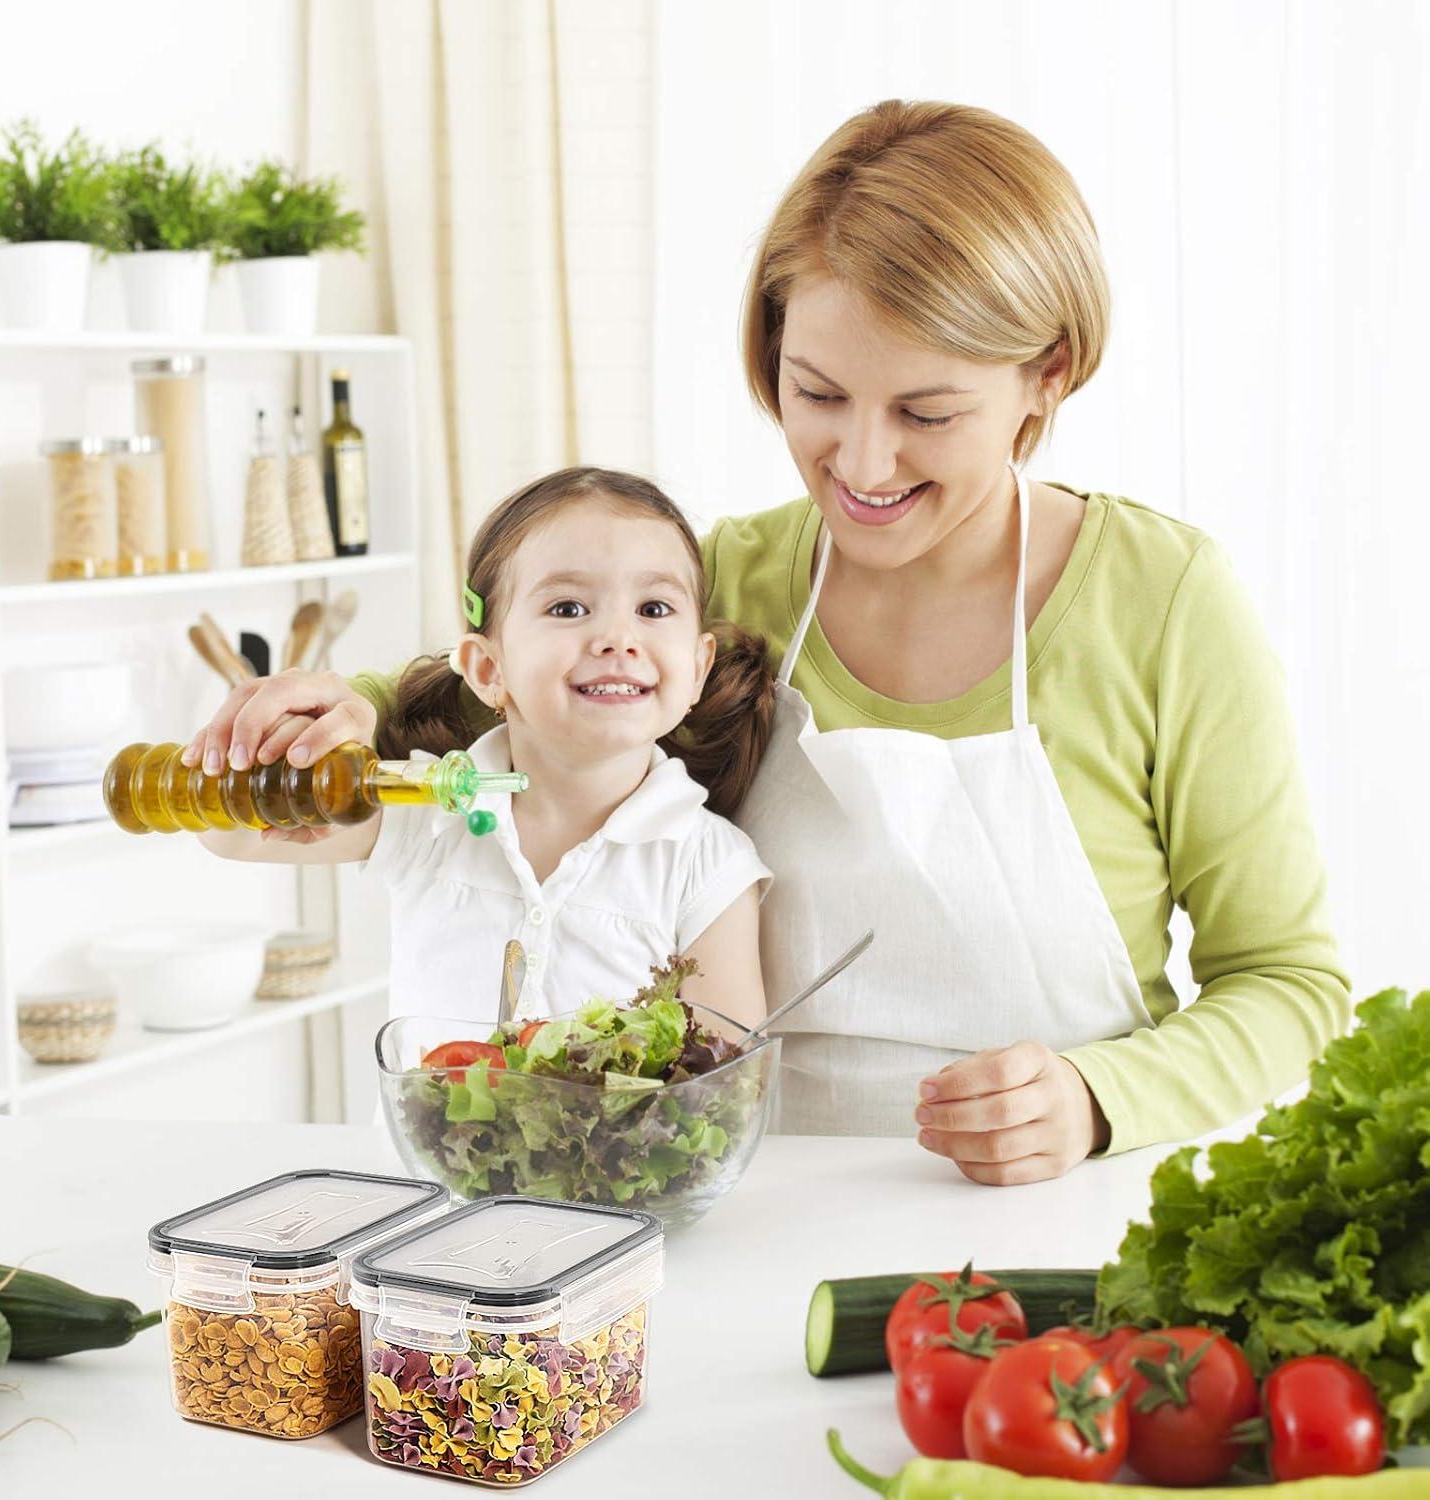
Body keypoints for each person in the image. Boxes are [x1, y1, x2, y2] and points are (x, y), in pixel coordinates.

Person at [193, 102, 1349, 1184]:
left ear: (1046, 374)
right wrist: (337, 709)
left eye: (927, 414)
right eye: (818, 394)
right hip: (746, 1200)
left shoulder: (1164, 602)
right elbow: (491, 684)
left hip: (1050, 1217)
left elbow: (1291, 983)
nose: (862, 464)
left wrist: (1100, 1096)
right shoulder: (717, 584)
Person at [189, 467, 774, 1031]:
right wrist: (254, 762)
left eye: (653, 609)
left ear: (697, 669)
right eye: (568, 608)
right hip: (431, 1136)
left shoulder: (708, 866)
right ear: (489, 668)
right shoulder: (422, 810)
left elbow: (724, 1088)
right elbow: (230, 838)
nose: (618, 639)